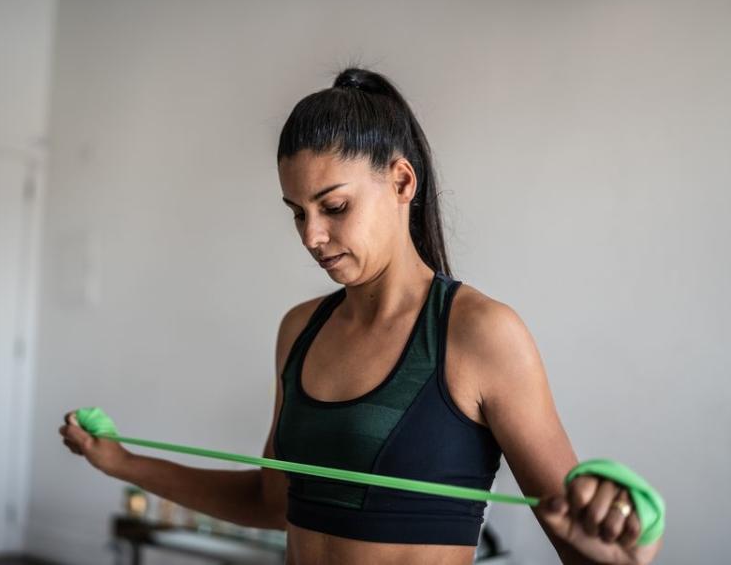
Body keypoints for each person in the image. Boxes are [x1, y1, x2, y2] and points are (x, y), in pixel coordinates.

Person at [60, 67, 663, 565]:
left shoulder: (481, 335)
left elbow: (578, 540)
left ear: (402, 180)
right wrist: (122, 462)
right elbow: (274, 502)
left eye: (335, 206)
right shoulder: (299, 330)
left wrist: (613, 544)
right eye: (297, 213)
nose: (313, 236)